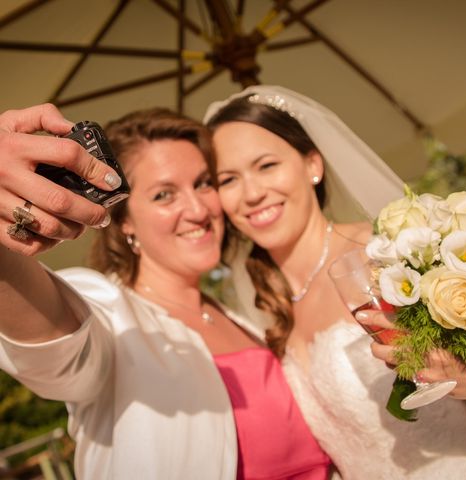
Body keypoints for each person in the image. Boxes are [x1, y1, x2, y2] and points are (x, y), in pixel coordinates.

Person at [205, 86, 466, 479]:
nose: (251, 193)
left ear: (312, 164)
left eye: (267, 166)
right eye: (227, 179)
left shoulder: (392, 261)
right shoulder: (262, 305)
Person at [0, 104, 331, 479]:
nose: (197, 209)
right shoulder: (110, 311)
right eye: (164, 195)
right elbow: (53, 344)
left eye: (204, 183)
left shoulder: (247, 314)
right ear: (124, 221)